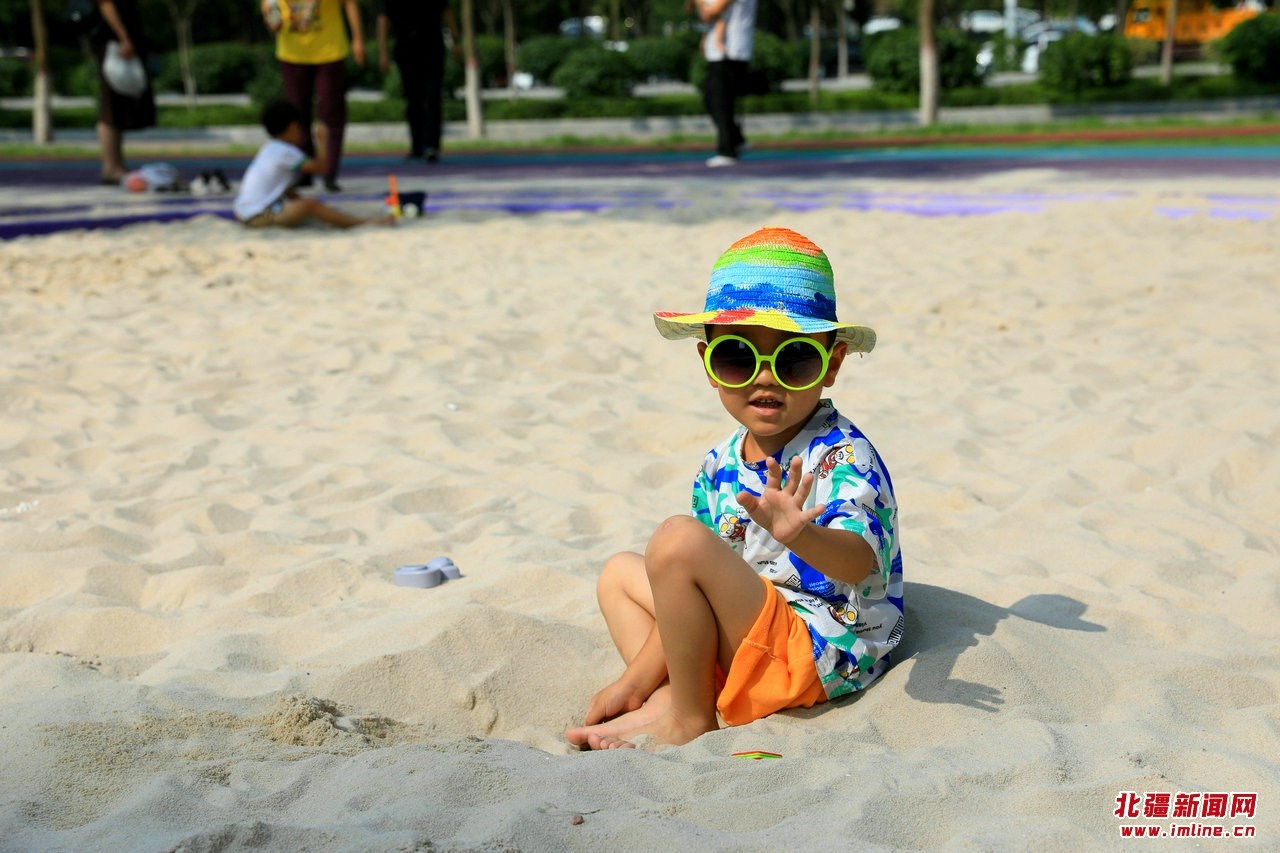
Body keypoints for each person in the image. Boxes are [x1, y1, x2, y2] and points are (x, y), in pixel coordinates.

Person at [566, 227, 903, 750]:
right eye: (737, 358)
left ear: (831, 365)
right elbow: (688, 587)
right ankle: (669, 694)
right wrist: (634, 681)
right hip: (752, 629)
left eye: (793, 359)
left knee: (677, 541)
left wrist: (801, 536)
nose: (764, 378)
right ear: (708, 365)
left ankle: (688, 716)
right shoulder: (719, 463)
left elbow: (859, 563)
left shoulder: (841, 454)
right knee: (620, 575)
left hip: (816, 651)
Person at [234, 100, 394, 229]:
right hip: (260, 215)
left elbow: (282, 187)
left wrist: (299, 202)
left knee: (306, 204)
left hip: (243, 212)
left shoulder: (269, 148)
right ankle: (362, 223)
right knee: (311, 205)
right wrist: (322, 141)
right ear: (293, 127)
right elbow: (322, 168)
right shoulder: (285, 151)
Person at [261, 0, 366, 191]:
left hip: (330, 51)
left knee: (331, 113)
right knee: (296, 115)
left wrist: (358, 38)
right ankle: (303, 170)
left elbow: (349, 3)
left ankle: (329, 171)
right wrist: (271, 21)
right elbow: (269, 7)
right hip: (292, 53)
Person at [376, 0, 460, 163]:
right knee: (413, 98)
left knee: (432, 96)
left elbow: (446, 11)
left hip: (432, 47)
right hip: (406, 47)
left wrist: (456, 41)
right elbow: (383, 18)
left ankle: (431, 146)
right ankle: (417, 146)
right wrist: (383, 52)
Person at [91, 0, 156, 184]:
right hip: (114, 45)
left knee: (118, 108)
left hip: (119, 41)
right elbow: (105, 3)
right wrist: (124, 37)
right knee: (111, 107)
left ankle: (117, 165)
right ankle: (111, 167)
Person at [696, 0, 757, 167]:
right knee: (712, 99)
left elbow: (710, 13)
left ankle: (727, 150)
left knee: (720, 102)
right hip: (725, 51)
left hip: (729, 50)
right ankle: (736, 140)